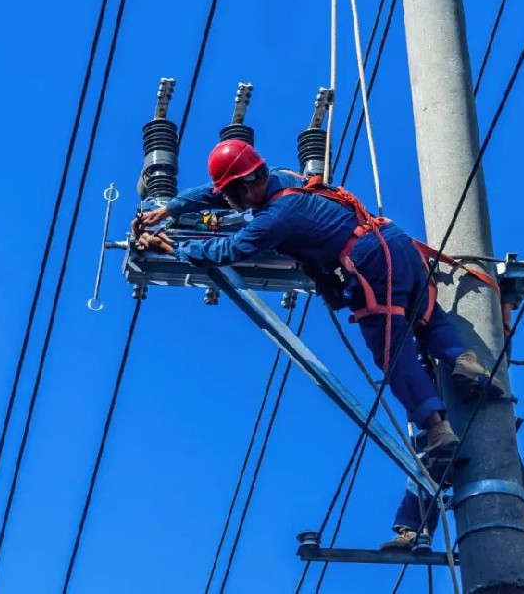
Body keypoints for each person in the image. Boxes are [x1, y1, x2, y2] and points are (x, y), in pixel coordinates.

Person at [131, 139, 501, 546]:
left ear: (246, 186)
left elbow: (233, 247)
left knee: (393, 354)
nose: (231, 202)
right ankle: (462, 359)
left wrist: (179, 248)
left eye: (233, 195)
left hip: (369, 262)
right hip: (395, 242)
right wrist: (173, 207)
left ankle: (435, 428)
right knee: (428, 318)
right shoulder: (288, 178)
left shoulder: (276, 218)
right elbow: (213, 193)